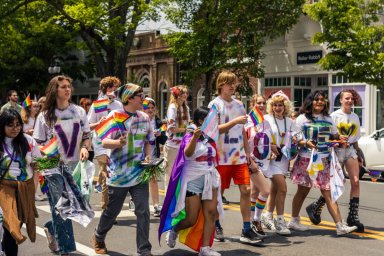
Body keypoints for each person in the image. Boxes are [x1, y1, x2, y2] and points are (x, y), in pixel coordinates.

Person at [92, 84, 154, 256]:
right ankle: (99, 236)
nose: (144, 98)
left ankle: (144, 250)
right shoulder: (114, 116)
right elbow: (103, 141)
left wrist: (148, 156)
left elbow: (149, 140)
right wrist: (118, 143)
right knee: (112, 211)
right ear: (129, 98)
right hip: (119, 174)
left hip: (139, 172)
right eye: (140, 95)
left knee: (143, 210)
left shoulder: (144, 117)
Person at [33, 75, 92, 255]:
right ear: (54, 90)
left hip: (74, 166)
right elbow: (37, 143)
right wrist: (48, 153)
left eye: (69, 86)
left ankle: (51, 228)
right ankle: (65, 250)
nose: (67, 89)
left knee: (73, 206)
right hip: (52, 168)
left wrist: (84, 149)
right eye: (63, 87)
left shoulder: (79, 112)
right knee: (61, 207)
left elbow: (87, 136)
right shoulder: (45, 116)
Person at [289, 90, 357, 236]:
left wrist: (341, 139)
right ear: (310, 101)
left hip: (324, 160)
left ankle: (339, 225)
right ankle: (293, 221)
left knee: (328, 192)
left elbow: (334, 135)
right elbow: (295, 139)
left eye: (322, 99)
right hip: (306, 160)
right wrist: (306, 142)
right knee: (302, 191)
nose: (320, 102)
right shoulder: (302, 119)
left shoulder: (328, 118)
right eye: (316, 99)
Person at [208, 71, 261, 244]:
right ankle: (216, 224)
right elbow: (213, 130)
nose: (232, 86)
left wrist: (248, 153)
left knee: (246, 190)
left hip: (238, 157)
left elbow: (243, 132)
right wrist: (234, 122)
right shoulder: (214, 105)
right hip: (221, 157)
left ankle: (246, 229)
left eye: (234, 83)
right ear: (220, 85)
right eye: (229, 83)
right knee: (219, 194)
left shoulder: (239, 104)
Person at [163, 107, 223, 256]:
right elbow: (187, 154)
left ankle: (205, 249)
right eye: (214, 119)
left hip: (210, 176)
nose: (217, 122)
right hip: (193, 177)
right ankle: (174, 230)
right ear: (202, 121)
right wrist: (195, 138)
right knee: (191, 218)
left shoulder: (212, 135)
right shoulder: (190, 133)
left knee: (210, 214)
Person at [306, 89, 364, 232]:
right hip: (335, 151)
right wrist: (337, 141)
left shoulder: (355, 117)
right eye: (347, 98)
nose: (350, 101)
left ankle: (353, 217)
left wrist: (359, 154)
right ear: (341, 100)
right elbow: (329, 136)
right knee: (336, 183)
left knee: (355, 181)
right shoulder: (334, 116)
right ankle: (316, 206)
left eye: (352, 98)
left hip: (349, 150)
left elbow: (355, 140)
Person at [0, 109, 41, 256]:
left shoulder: (29, 141)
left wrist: (34, 190)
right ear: (2, 126)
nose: (15, 128)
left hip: (26, 188)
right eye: (10, 125)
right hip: (5, 190)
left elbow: (37, 166)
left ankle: (4, 249)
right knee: (11, 228)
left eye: (18, 124)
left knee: (15, 226)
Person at [259, 91, 294, 236]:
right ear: (271, 106)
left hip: (284, 158)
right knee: (283, 188)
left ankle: (267, 215)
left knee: (275, 189)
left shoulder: (290, 121)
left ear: (285, 106)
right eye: (275, 105)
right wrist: (270, 146)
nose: (278, 108)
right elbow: (259, 137)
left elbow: (297, 137)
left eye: (280, 105)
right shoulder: (266, 119)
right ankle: (280, 221)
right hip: (270, 158)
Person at [87, 76, 123, 209]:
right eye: (115, 88)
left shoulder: (119, 105)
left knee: (114, 175)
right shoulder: (98, 104)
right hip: (101, 144)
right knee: (105, 172)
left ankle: (113, 205)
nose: (117, 91)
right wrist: (99, 122)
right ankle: (106, 206)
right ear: (108, 89)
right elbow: (88, 125)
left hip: (115, 144)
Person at [245, 94, 271, 237]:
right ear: (252, 104)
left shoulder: (265, 122)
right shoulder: (247, 122)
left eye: (263, 103)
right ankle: (256, 220)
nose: (261, 105)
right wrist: (250, 161)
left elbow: (266, 141)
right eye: (258, 103)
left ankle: (249, 223)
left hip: (263, 161)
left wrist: (271, 151)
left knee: (255, 193)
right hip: (251, 162)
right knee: (266, 191)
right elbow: (243, 143)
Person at [142, 97, 167, 217]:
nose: (150, 110)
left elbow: (164, 140)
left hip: (153, 154)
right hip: (139, 155)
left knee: (153, 180)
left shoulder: (159, 122)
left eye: (152, 108)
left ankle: (156, 206)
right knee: (139, 181)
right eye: (148, 108)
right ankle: (134, 200)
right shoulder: (138, 120)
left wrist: (160, 134)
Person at [163, 85, 190, 192]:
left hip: (184, 145)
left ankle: (180, 199)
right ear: (176, 95)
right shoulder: (172, 108)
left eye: (186, 93)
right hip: (172, 146)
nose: (185, 95)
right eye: (182, 93)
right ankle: (168, 201)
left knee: (183, 173)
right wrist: (186, 130)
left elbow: (187, 125)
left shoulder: (186, 108)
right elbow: (171, 128)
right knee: (170, 174)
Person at [21, 100, 45, 201]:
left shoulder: (40, 118)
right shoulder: (23, 119)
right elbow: (17, 132)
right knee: (27, 170)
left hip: (38, 147)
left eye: (38, 106)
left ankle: (34, 193)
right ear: (29, 107)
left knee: (37, 171)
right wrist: (27, 132)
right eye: (34, 106)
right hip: (26, 147)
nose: (37, 108)